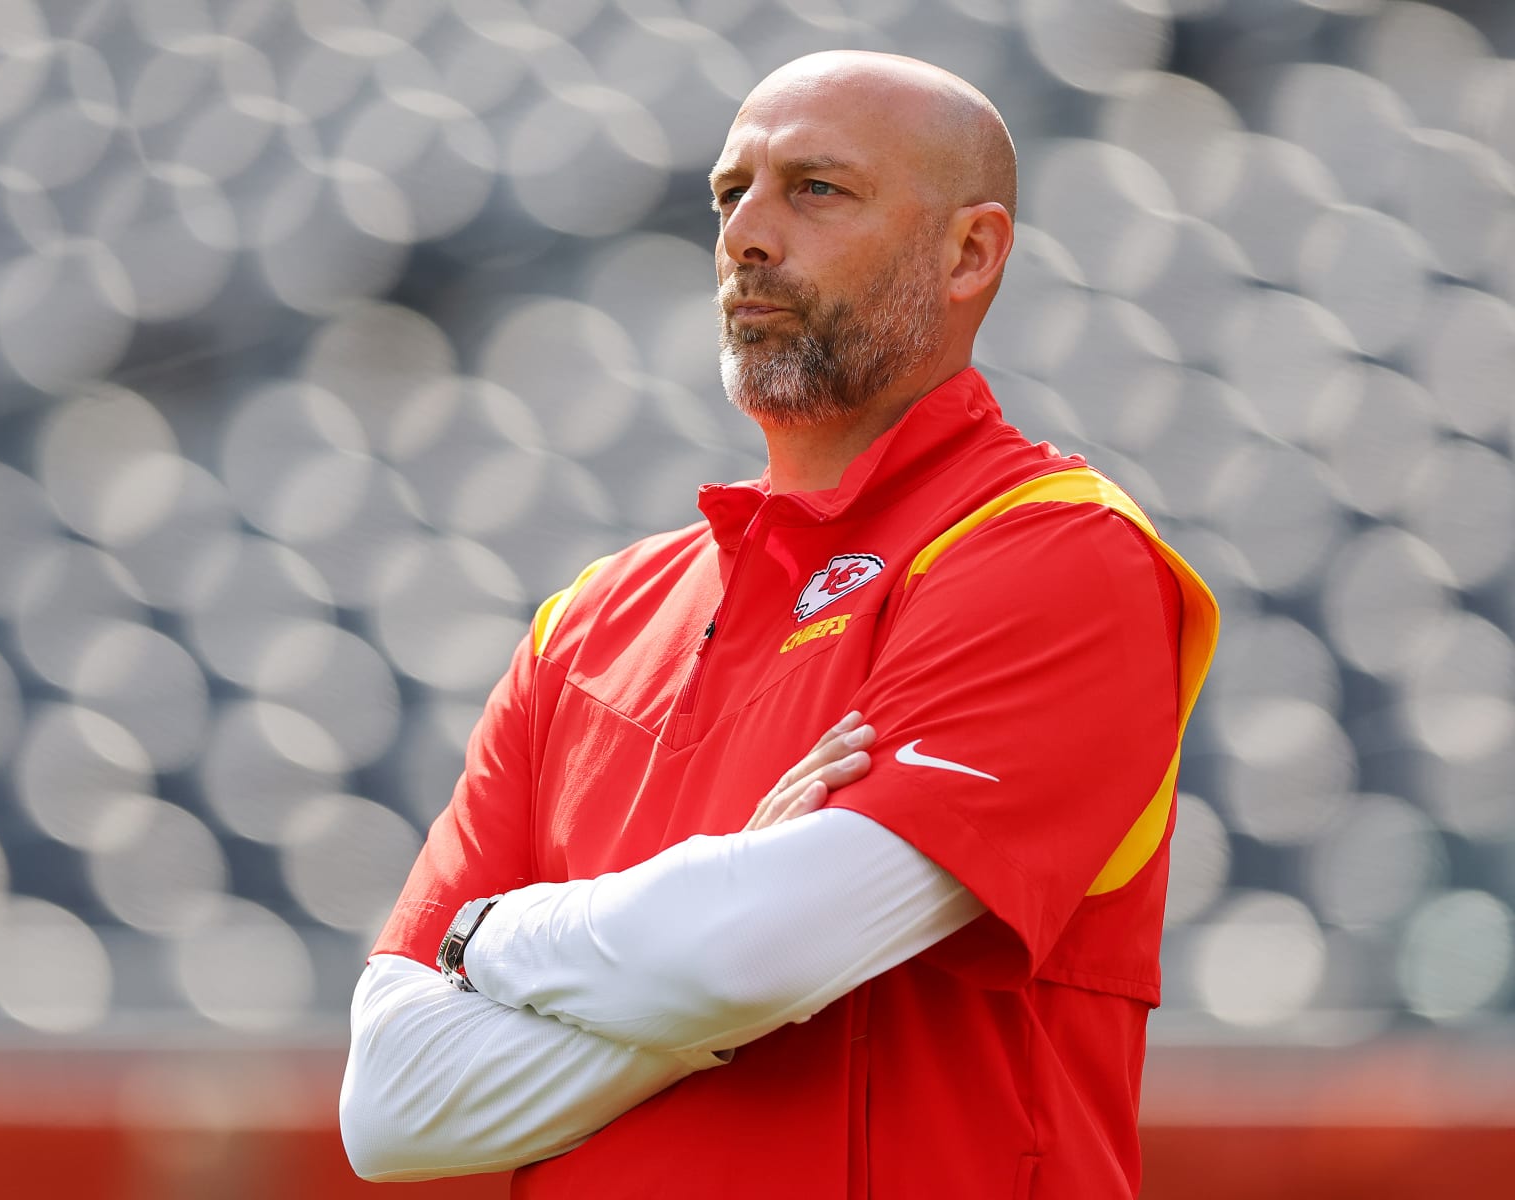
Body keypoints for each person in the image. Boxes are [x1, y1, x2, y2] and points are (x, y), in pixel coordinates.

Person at [340, 50, 1219, 1199]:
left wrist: (492, 939)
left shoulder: (1057, 550)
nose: (747, 237)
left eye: (816, 189)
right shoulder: (587, 622)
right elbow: (393, 1104)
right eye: (728, 194)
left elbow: (753, 956)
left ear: (971, 251)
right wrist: (715, 914)